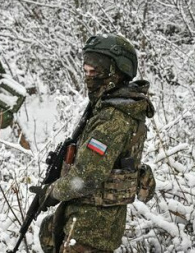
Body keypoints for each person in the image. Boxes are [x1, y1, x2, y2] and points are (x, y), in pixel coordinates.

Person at [35, 34, 155, 252]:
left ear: (117, 72)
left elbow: (86, 177)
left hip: (91, 230)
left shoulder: (113, 118)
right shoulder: (110, 107)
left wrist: (51, 192)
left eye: (96, 71)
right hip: (89, 224)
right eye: (86, 71)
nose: (89, 77)